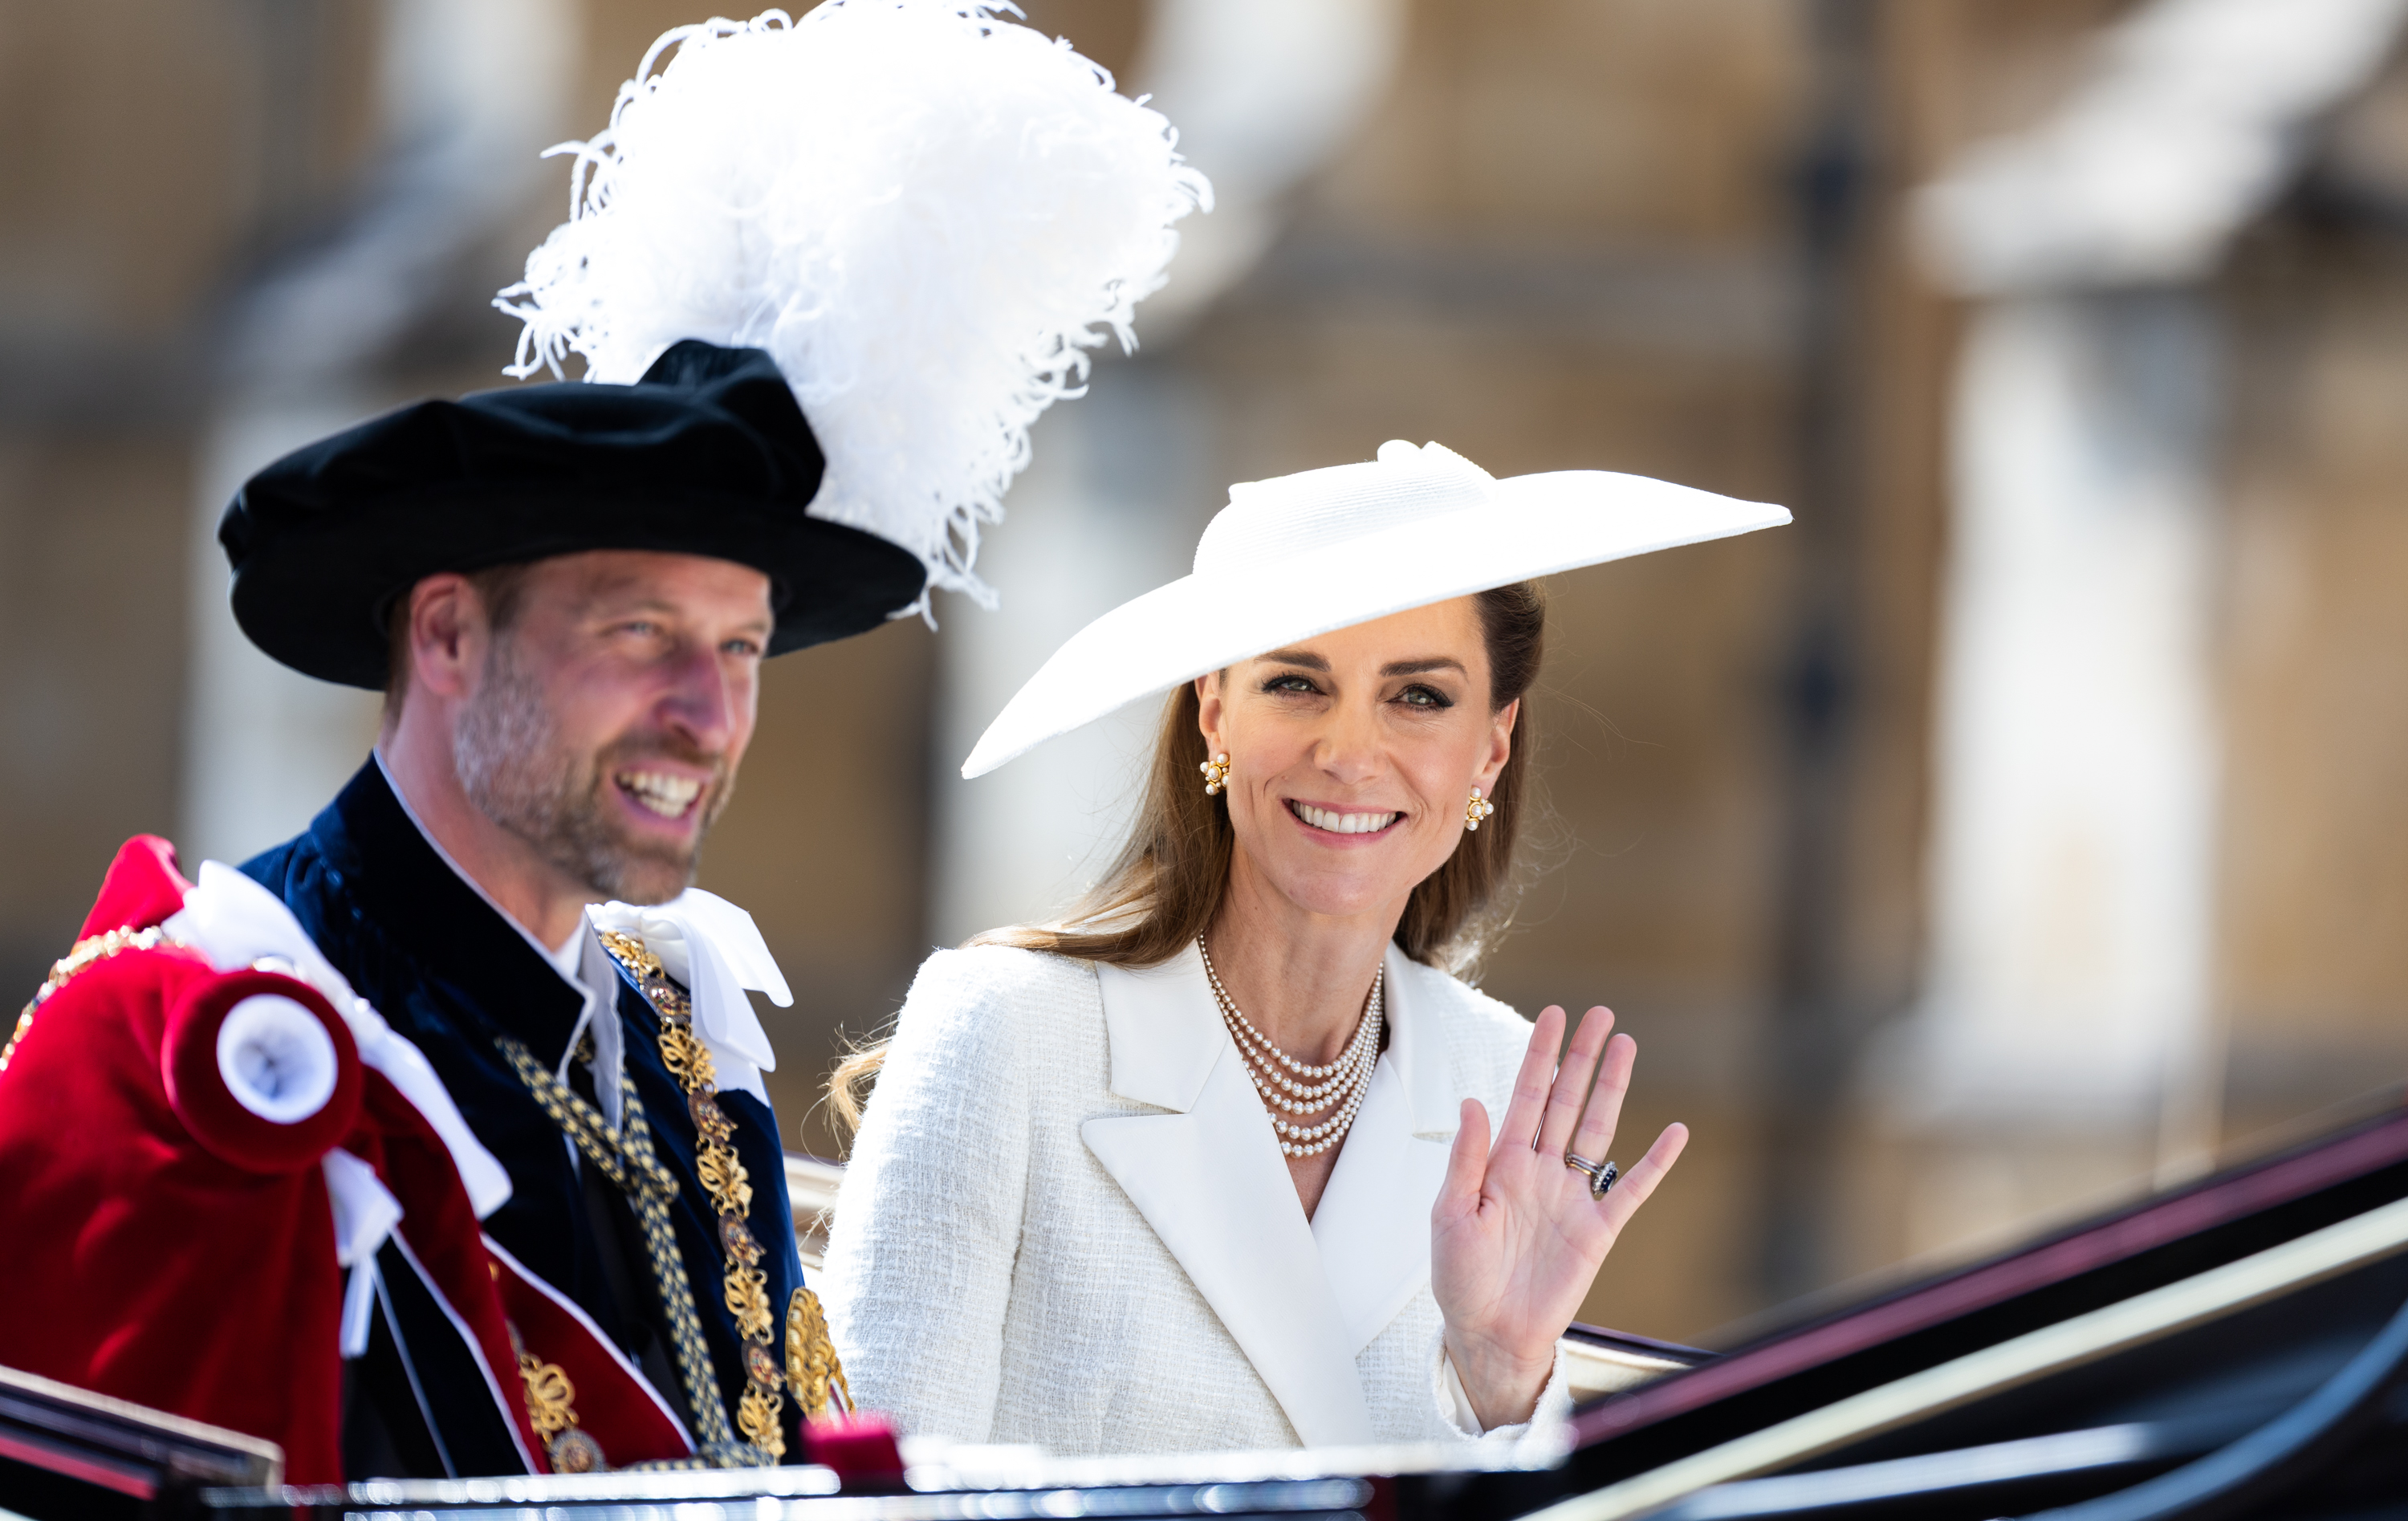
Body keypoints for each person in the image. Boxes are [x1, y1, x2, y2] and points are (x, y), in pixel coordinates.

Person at [0, 2, 1203, 1482]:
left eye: (742, 649)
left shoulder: (674, 1042)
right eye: (640, 636)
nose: (705, 714)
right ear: (444, 638)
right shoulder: (189, 1050)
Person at [822, 440, 1789, 1453]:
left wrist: (1503, 1383)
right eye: (1296, 682)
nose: (1348, 753)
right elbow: (868, 1507)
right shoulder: (1007, 1031)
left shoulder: (1501, 1085)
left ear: (1491, 748)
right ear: (1214, 712)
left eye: (1419, 696)